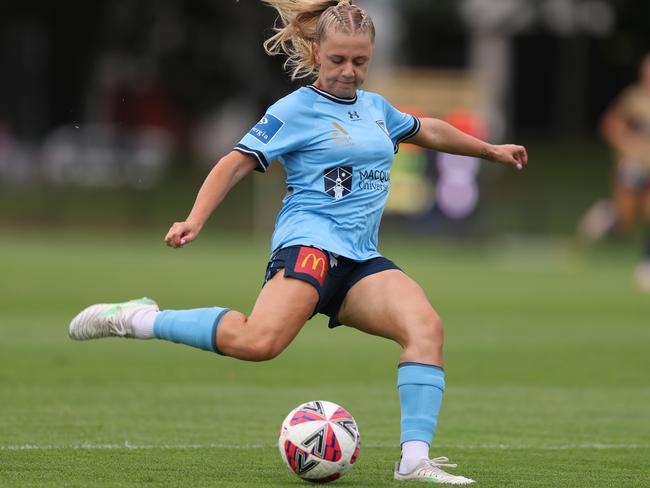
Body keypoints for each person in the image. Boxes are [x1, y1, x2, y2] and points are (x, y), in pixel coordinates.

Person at [69, 1, 527, 483]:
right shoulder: (294, 110)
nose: (349, 72)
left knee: (426, 329)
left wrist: (488, 149)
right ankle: (139, 318)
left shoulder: (376, 110)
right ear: (315, 51)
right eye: (338, 61)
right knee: (258, 342)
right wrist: (194, 218)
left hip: (360, 259)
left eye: (360, 61)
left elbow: (425, 128)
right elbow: (235, 161)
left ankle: (413, 461)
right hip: (308, 246)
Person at [579, 52, 650, 291]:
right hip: (633, 165)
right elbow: (610, 124)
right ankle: (606, 214)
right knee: (625, 222)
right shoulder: (635, 98)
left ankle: (645, 267)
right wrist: (627, 144)